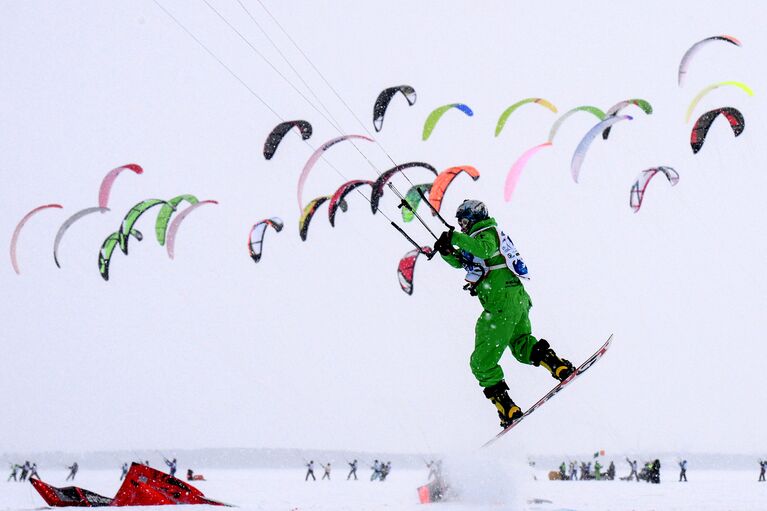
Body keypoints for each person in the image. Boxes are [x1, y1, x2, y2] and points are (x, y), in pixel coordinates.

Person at [434, 200, 574, 428]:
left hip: (500, 304)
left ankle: (507, 408)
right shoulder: (484, 236)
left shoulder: (487, 233)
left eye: (464, 221)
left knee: (480, 362)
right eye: (459, 223)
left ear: (475, 218)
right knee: (521, 345)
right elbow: (464, 263)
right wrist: (446, 251)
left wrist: (456, 239)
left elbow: (483, 250)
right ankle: (558, 366)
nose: (462, 226)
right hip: (516, 300)